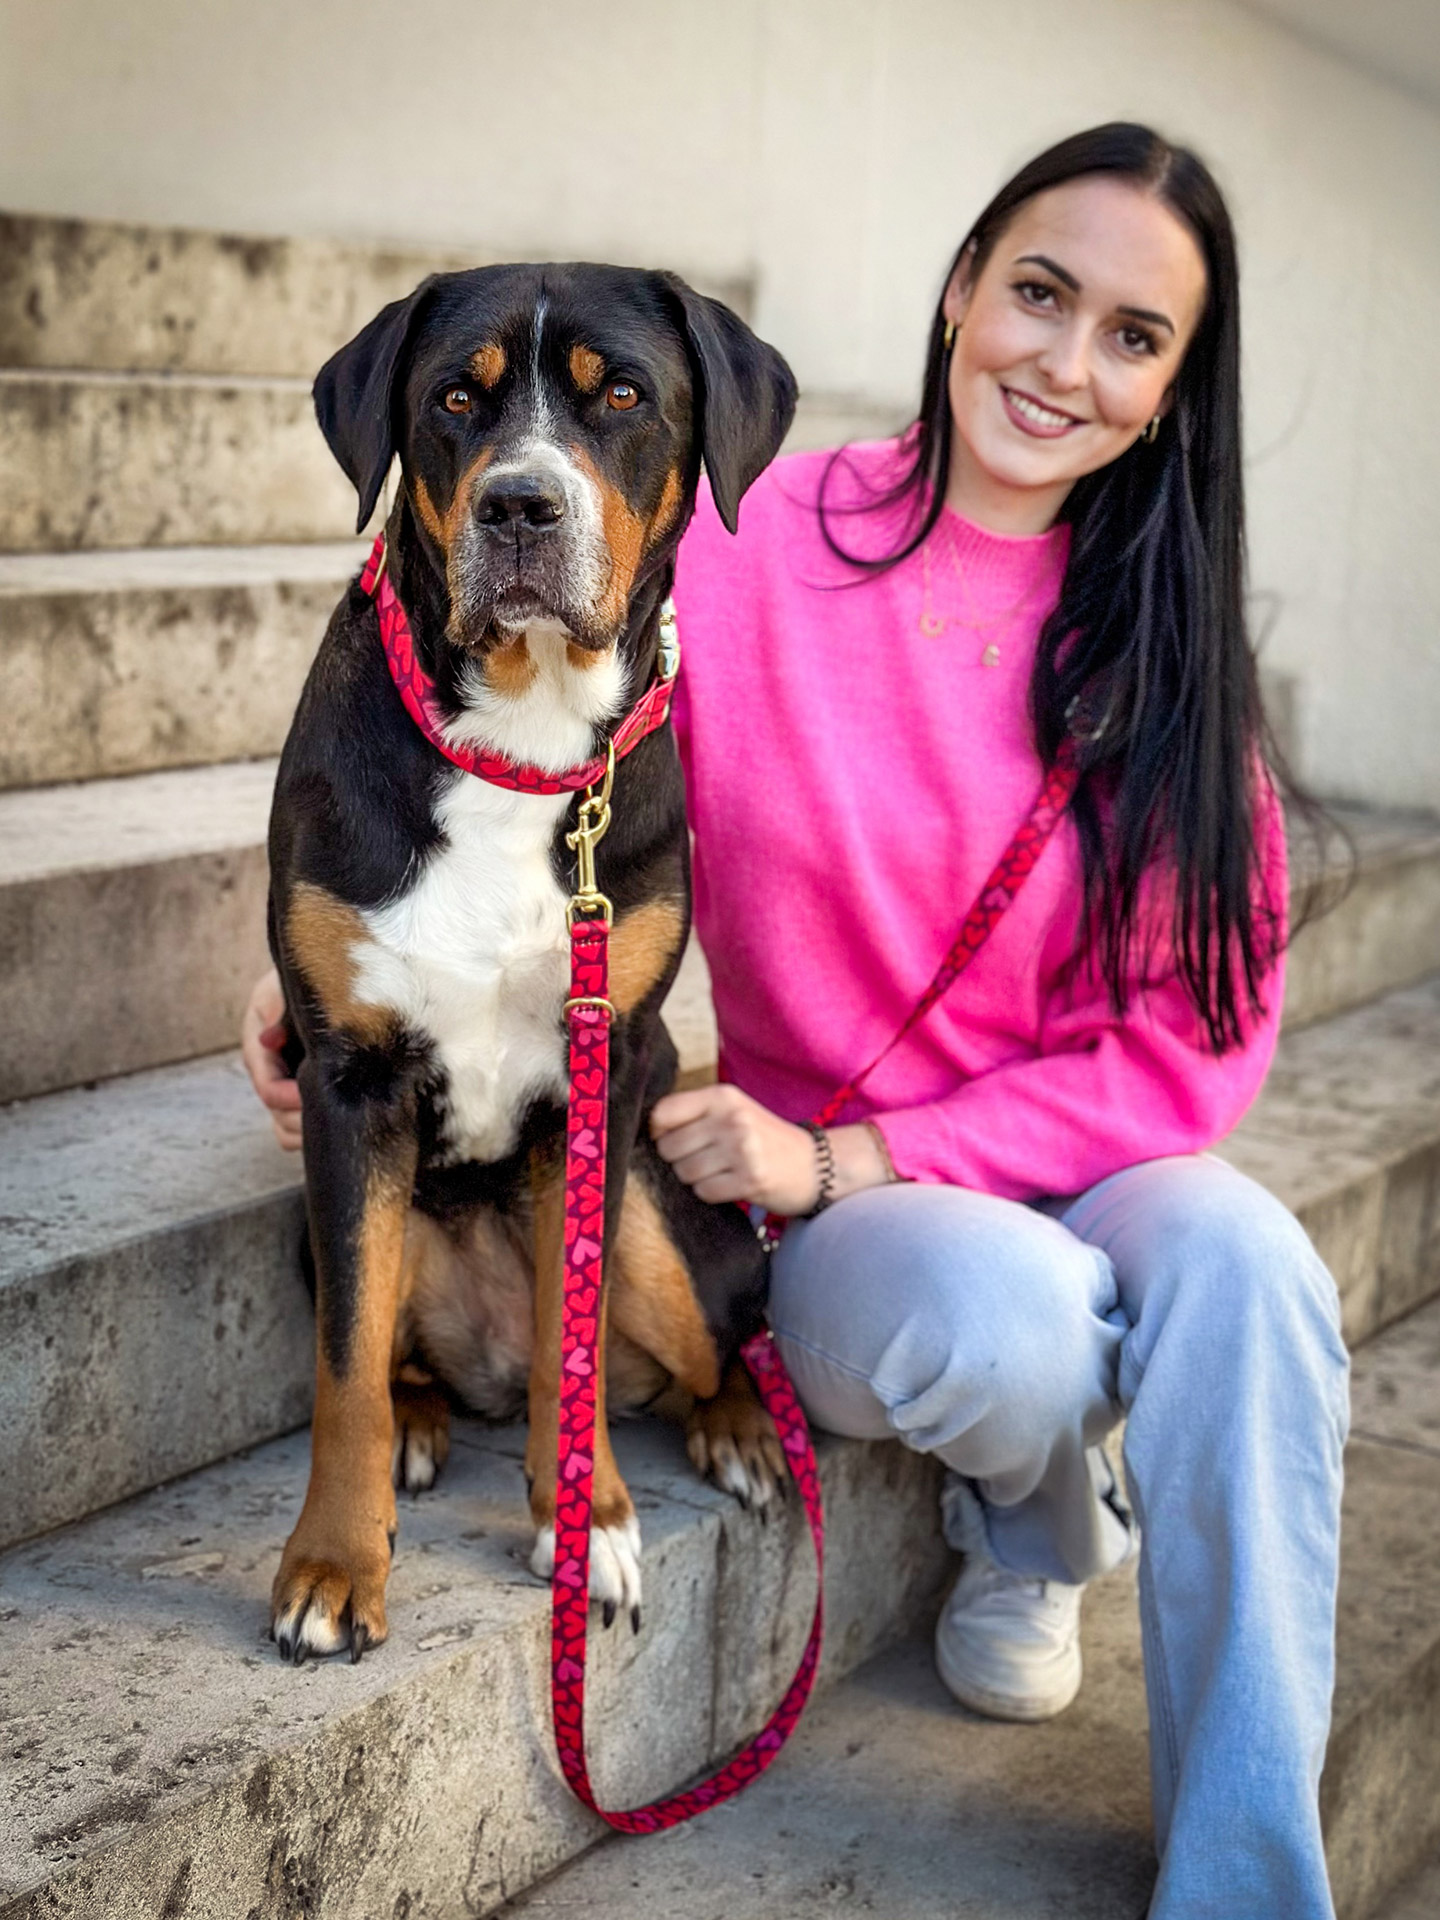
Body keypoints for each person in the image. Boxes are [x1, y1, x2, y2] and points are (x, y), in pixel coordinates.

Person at [243, 124, 1348, 1920]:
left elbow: (1193, 1063)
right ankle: (1040, 1515)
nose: (1067, 363)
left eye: (1134, 338)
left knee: (1259, 1272)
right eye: (1041, 295)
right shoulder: (746, 542)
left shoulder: (1174, 644)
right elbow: (497, 777)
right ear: (961, 293)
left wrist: (873, 1144)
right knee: (1014, 1326)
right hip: (835, 1202)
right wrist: (316, 970)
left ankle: (1248, 1881)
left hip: (995, 1153)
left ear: (1173, 391)